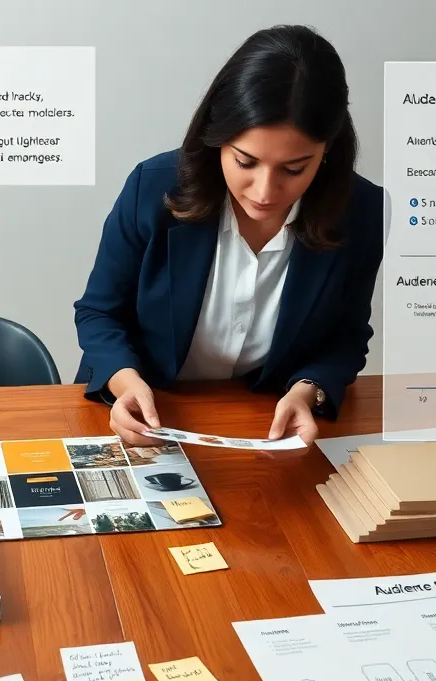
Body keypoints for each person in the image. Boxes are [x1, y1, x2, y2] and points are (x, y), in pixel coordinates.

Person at [72, 24, 383, 448]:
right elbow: (98, 312)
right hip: (141, 414)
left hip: (264, 423)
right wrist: (125, 382)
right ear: (217, 137)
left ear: (326, 150)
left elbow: (347, 336)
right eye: (245, 161)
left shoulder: (362, 212)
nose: (265, 192)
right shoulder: (153, 189)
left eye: (295, 169)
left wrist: (308, 391)